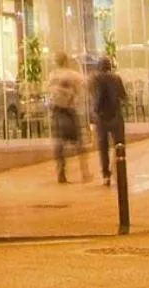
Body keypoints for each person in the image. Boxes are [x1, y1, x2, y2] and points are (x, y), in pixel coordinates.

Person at [45, 51, 85, 184]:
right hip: (69, 111)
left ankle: (61, 172)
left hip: (57, 111)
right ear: (66, 61)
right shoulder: (72, 75)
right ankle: (84, 171)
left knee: (58, 144)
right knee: (78, 143)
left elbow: (48, 92)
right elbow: (81, 86)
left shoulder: (52, 76)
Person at [90, 55, 128, 187]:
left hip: (102, 117)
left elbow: (97, 97)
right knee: (119, 144)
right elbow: (124, 96)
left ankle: (106, 175)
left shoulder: (96, 78)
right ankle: (118, 169)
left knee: (103, 147)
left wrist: (94, 111)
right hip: (116, 115)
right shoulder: (116, 78)